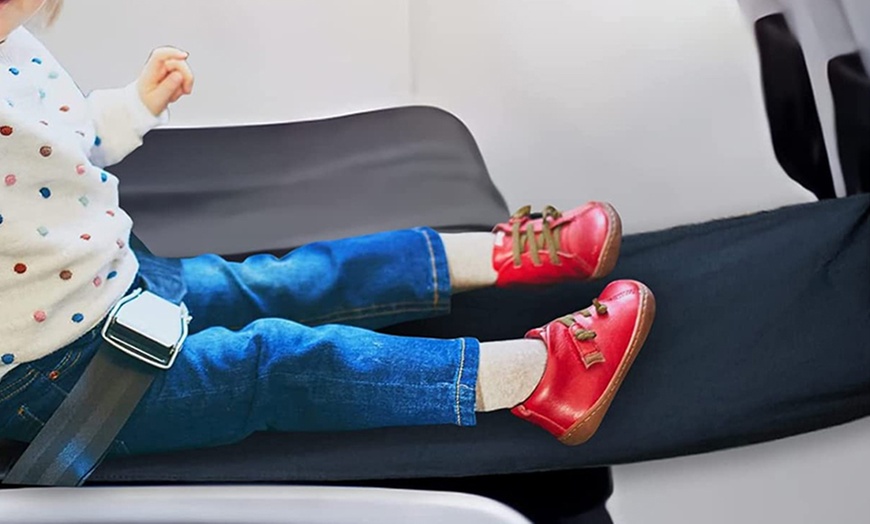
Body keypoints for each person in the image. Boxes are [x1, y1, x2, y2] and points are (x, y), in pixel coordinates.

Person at [0, 0, 655, 457]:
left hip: (120, 284)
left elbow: (63, 141)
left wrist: (132, 106)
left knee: (296, 278)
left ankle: (505, 256)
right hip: (52, 378)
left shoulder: (17, 48)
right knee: (274, 364)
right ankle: (538, 379)